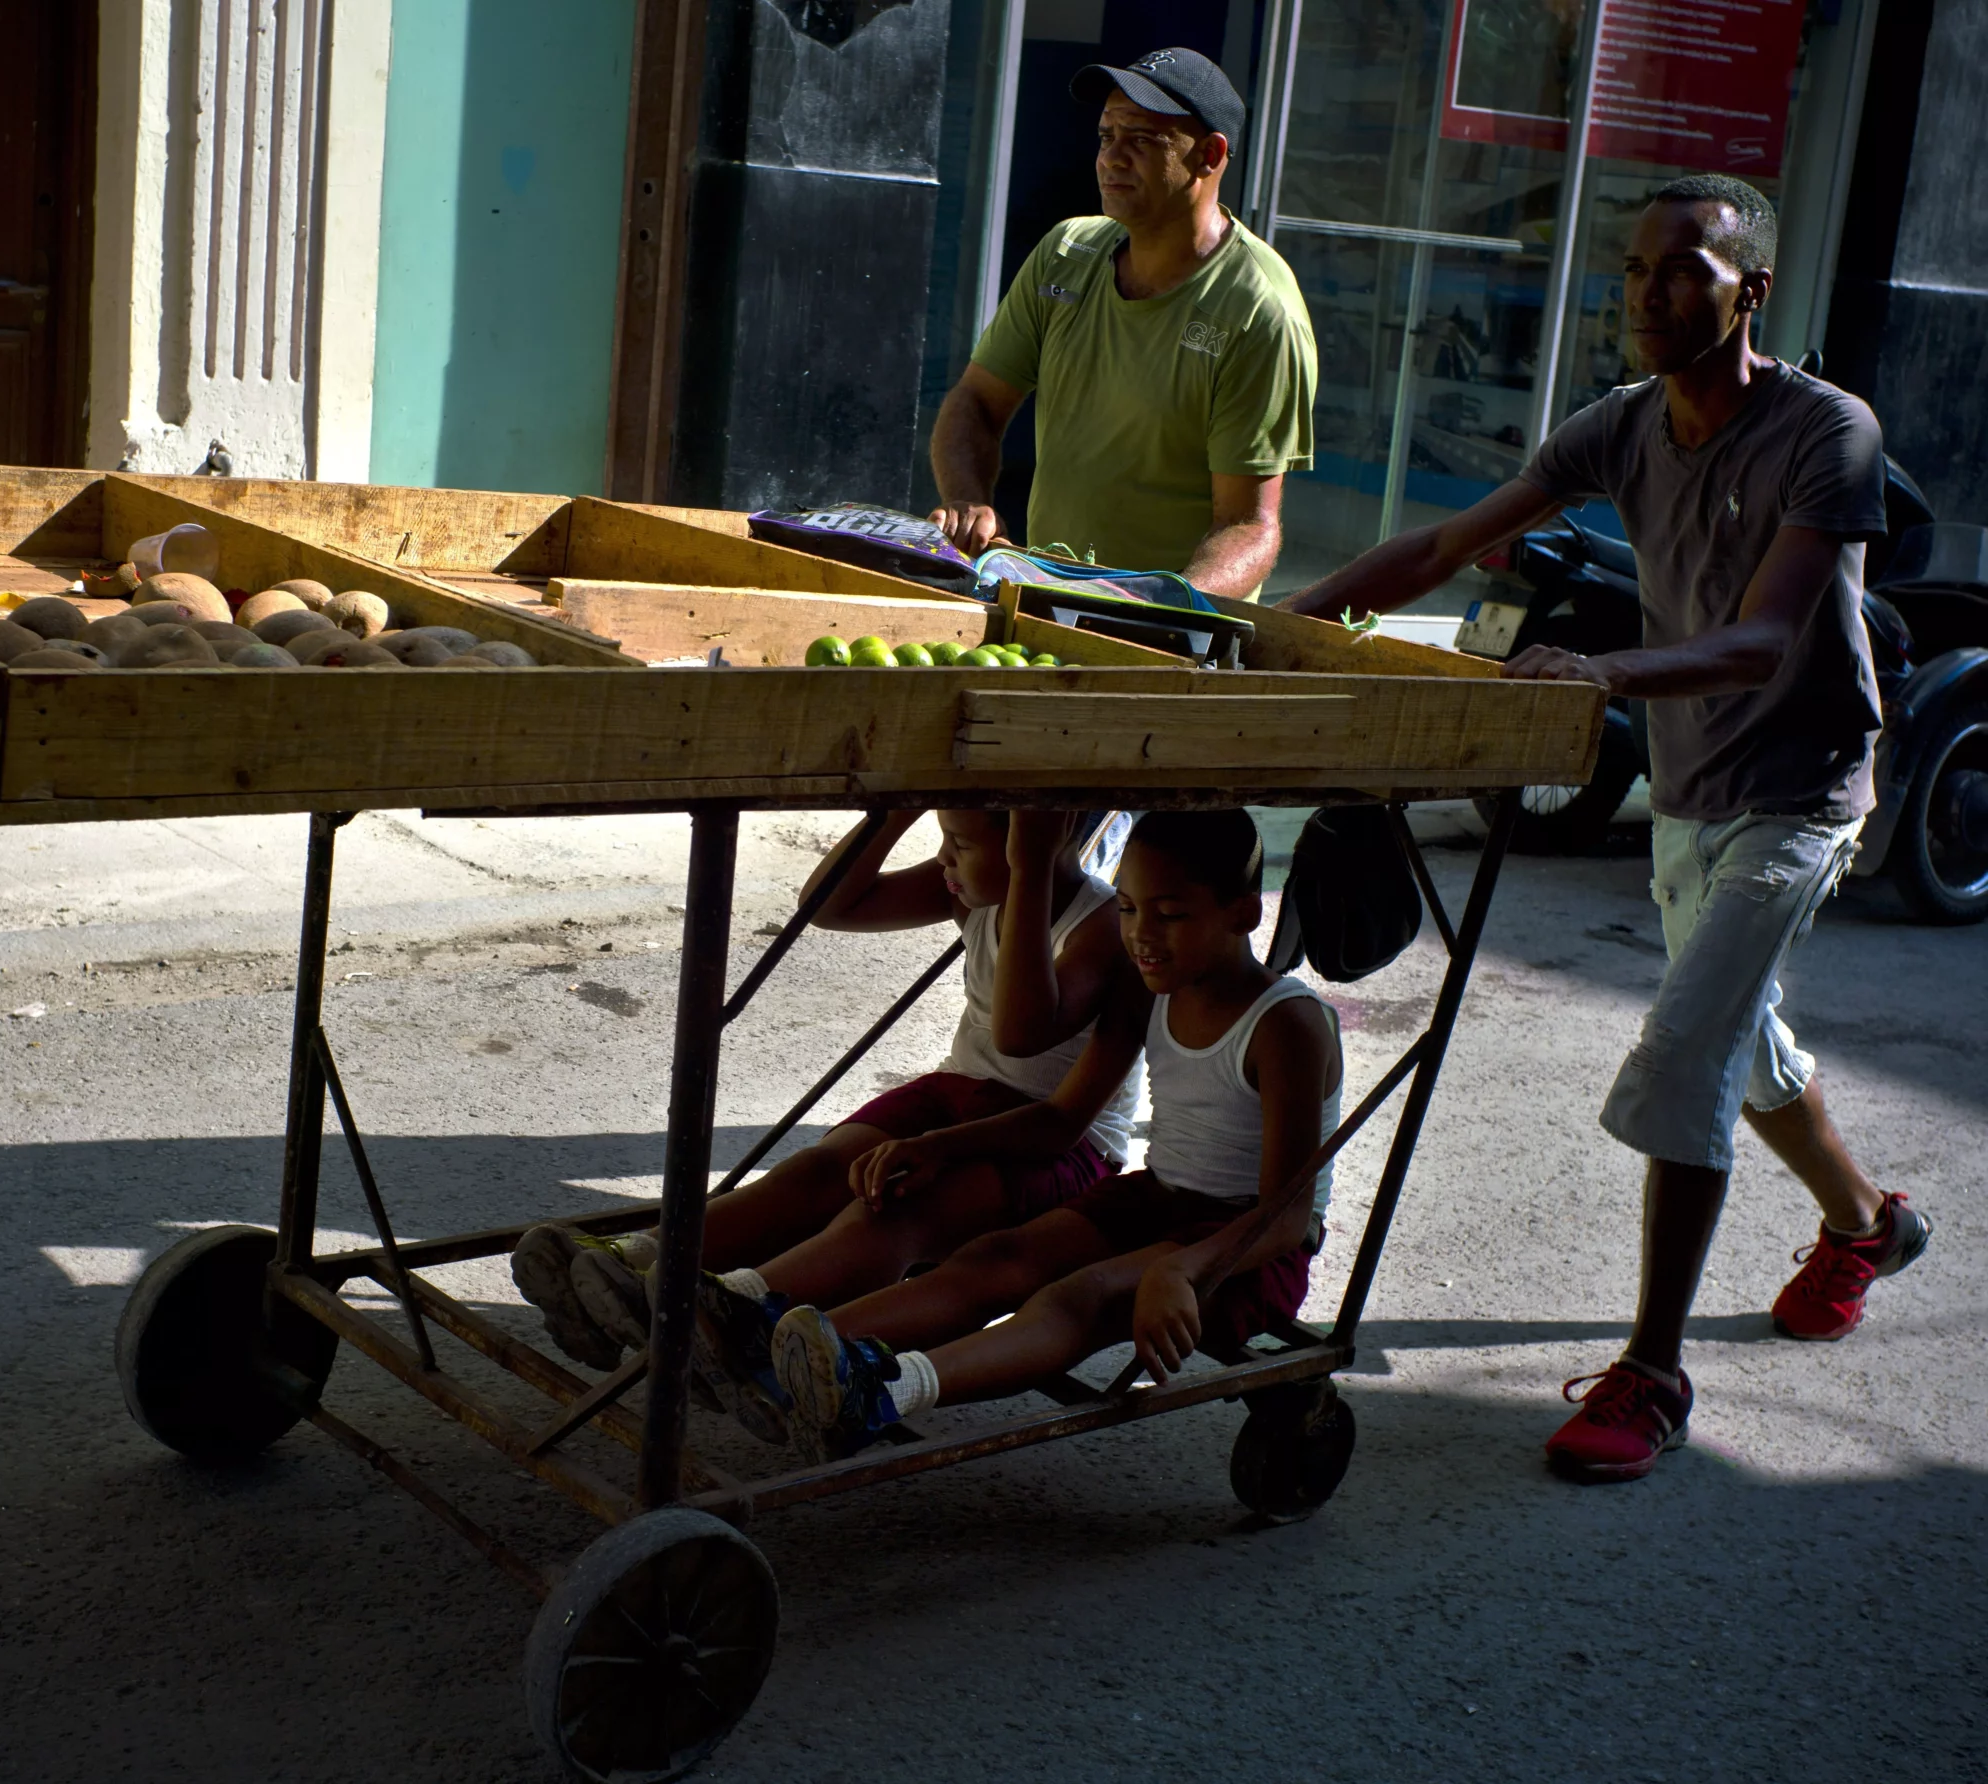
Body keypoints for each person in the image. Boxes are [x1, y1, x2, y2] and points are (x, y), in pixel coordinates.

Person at [1277, 174, 1932, 1483]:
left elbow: (1762, 636)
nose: (1647, 294)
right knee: (1741, 1038)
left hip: (1800, 791)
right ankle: (1864, 1221)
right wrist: (1285, 629)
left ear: (1749, 290)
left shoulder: (1827, 432)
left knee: (1688, 1044)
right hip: (1693, 790)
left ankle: (1652, 1376)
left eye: (1682, 269)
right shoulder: (1622, 426)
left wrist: (1604, 676)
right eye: (1633, 272)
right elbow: (1452, 543)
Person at [510, 808, 1146, 1430]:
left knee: (888, 1209)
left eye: (959, 842)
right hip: (960, 1092)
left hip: (1052, 1139)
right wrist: (897, 811)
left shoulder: (1097, 929)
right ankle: (639, 1264)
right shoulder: (976, 884)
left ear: (1039, 841)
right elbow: (829, 907)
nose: (945, 858)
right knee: (821, 1169)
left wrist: (1029, 868)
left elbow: (1020, 1040)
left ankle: (740, 1311)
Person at [764, 808, 1340, 1461]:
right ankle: (782, 1354)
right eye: (1126, 908)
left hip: (1245, 1246)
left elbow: (1288, 1216)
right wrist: (937, 1148)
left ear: (1244, 912)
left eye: (1171, 914)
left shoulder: (1287, 1024)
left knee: (1079, 1297)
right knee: (996, 1259)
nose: (1142, 934)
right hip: (1156, 1200)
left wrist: (1178, 1270)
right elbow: (1063, 1120)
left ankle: (884, 1390)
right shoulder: (1148, 982)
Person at [927, 48, 1317, 596]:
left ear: (1209, 154)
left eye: (1142, 140)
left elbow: (1248, 525)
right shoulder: (1065, 252)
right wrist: (968, 502)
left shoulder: (1258, 312)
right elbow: (975, 403)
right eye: (1107, 136)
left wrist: (1153, 612)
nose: (1112, 159)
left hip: (1165, 640)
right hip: (1040, 600)